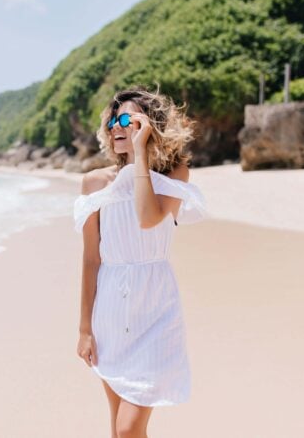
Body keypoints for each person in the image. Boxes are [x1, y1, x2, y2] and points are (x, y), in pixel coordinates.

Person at [73, 85, 208, 438]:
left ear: (149, 125)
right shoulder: (94, 183)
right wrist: (85, 329)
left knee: (129, 429)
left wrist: (140, 157)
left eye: (127, 120)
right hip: (110, 316)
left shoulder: (174, 174)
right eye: (112, 121)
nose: (117, 127)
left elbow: (148, 218)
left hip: (155, 311)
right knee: (119, 432)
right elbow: (91, 259)